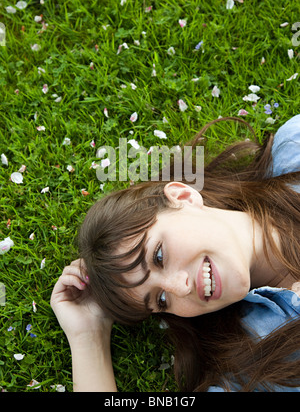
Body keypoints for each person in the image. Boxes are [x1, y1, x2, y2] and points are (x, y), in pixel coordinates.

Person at [51, 115, 300, 392]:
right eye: (161, 299)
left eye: (158, 256)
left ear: (183, 197)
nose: (180, 288)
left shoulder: (294, 147)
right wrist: (88, 337)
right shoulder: (259, 366)